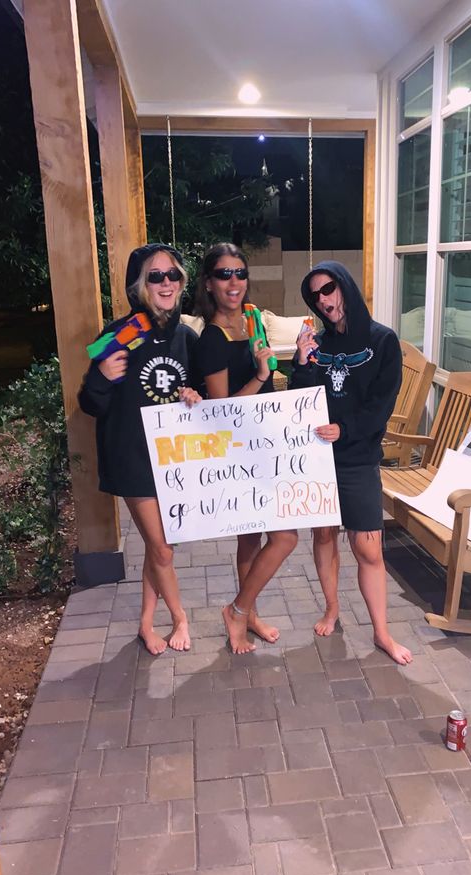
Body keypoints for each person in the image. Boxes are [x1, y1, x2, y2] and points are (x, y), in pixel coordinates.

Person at [79, 243, 202, 656]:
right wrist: (101, 375)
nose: (166, 283)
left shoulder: (186, 335)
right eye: (155, 276)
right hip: (133, 457)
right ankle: (180, 617)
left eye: (173, 275)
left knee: (159, 545)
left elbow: (199, 386)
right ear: (139, 285)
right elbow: (90, 402)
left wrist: (193, 393)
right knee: (163, 546)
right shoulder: (122, 333)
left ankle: (146, 624)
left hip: (174, 459)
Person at [291, 261, 412, 666]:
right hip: (317, 458)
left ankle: (381, 633)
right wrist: (303, 362)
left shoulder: (383, 341)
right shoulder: (319, 344)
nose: (324, 300)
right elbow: (300, 401)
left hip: (358, 458)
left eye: (329, 289)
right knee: (323, 536)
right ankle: (331, 608)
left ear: (345, 286)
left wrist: (345, 429)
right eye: (315, 296)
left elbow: (382, 405)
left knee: (369, 549)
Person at [195, 243, 298, 655]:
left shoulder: (251, 323)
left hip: (263, 443)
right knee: (285, 537)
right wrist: (260, 375)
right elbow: (222, 411)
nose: (233, 281)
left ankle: (248, 612)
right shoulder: (212, 339)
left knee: (251, 539)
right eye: (224, 274)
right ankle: (237, 611)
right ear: (209, 283)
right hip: (236, 451)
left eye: (240, 272)